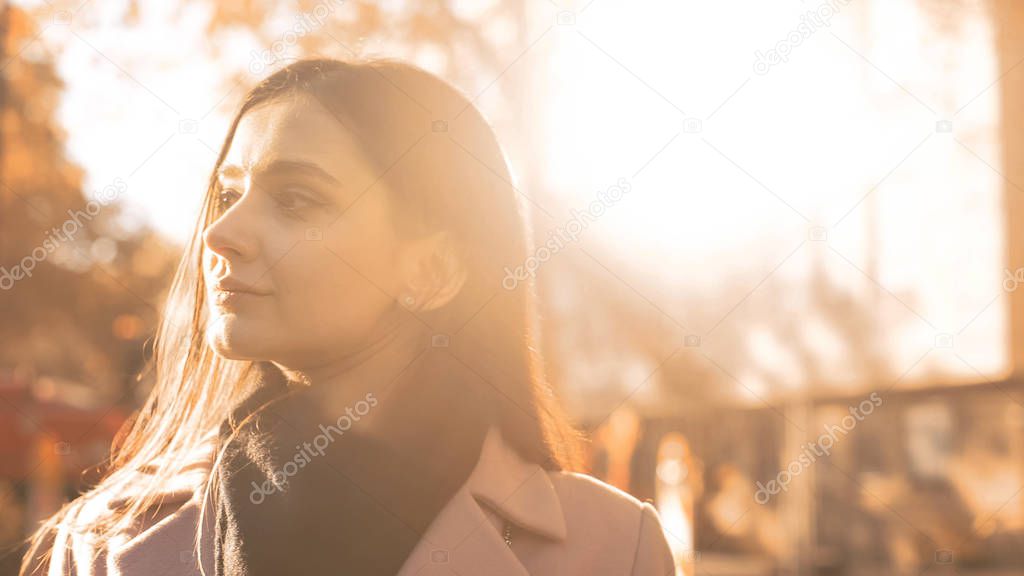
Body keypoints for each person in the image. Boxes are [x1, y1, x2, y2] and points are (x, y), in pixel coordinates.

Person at [21, 57, 676, 576]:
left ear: (432, 270)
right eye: (228, 194)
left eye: (297, 200)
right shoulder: (107, 538)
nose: (220, 233)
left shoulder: (614, 549)